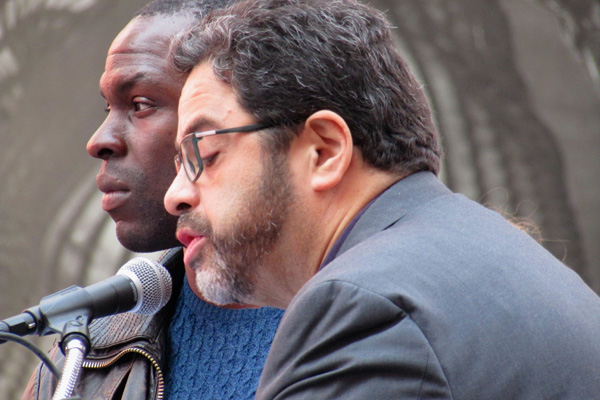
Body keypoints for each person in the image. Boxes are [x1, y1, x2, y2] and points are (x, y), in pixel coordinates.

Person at [163, 0, 600, 398]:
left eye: (202, 153)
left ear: (324, 151)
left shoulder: (361, 306)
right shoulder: (498, 261)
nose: (175, 195)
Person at [22, 1, 283, 399]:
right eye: (109, 107)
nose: (99, 142)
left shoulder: (370, 314)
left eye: (140, 104)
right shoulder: (79, 355)